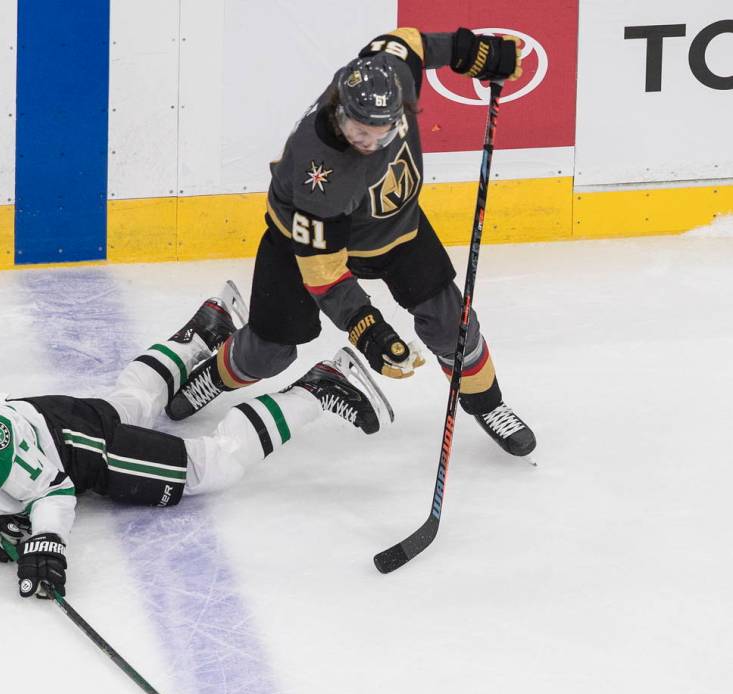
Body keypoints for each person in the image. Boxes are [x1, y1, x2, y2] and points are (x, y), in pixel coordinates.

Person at [0, 284, 391, 599]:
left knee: (211, 468)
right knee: (128, 406)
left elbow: (53, 490)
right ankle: (207, 329)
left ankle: (320, 388)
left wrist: (46, 541)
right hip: (54, 416)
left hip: (68, 449)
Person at [165, 27, 536, 457]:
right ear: (339, 110)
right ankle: (220, 370)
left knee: (452, 324)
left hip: (395, 230)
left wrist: (472, 52)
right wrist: (367, 328)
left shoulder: (391, 74)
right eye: (358, 130)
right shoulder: (319, 171)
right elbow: (324, 274)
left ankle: (489, 404)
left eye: (379, 132)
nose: (368, 142)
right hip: (299, 244)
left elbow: (410, 42)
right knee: (268, 354)